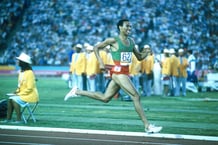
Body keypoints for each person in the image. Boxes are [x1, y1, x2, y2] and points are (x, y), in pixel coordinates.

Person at [64, 19, 162, 133]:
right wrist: (100, 62)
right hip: (118, 73)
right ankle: (147, 126)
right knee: (136, 96)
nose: (129, 29)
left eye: (130, 27)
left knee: (105, 98)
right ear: (120, 27)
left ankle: (77, 91)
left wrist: (147, 52)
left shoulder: (131, 41)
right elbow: (96, 48)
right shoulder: (113, 40)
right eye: (127, 26)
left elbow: (139, 57)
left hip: (124, 72)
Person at [2, 52, 39, 123]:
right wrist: (15, 92)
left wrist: (19, 94)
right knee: (10, 99)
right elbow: (20, 86)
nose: (17, 62)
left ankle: (19, 119)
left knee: (14, 99)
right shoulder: (21, 72)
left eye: (19, 61)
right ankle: (8, 119)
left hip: (30, 95)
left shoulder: (30, 73)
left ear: (23, 62)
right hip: (23, 94)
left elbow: (30, 88)